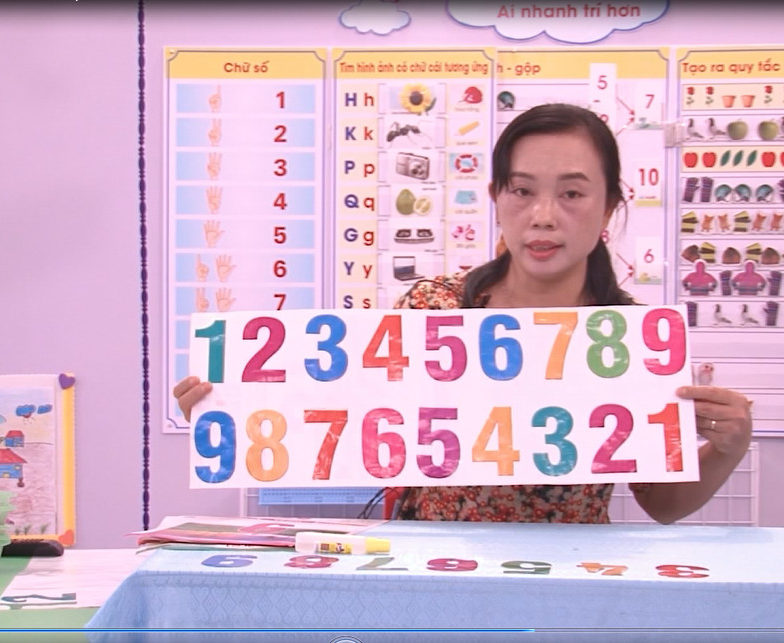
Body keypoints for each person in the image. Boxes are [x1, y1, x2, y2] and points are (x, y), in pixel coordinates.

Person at [174, 103, 753, 525]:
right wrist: (229, 404)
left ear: (608, 208)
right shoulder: (432, 310)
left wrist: (725, 448)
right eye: (522, 190)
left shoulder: (628, 338)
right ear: (497, 197)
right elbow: (335, 416)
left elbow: (660, 503)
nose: (543, 215)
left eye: (572, 194)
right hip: (429, 579)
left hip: (570, 584)